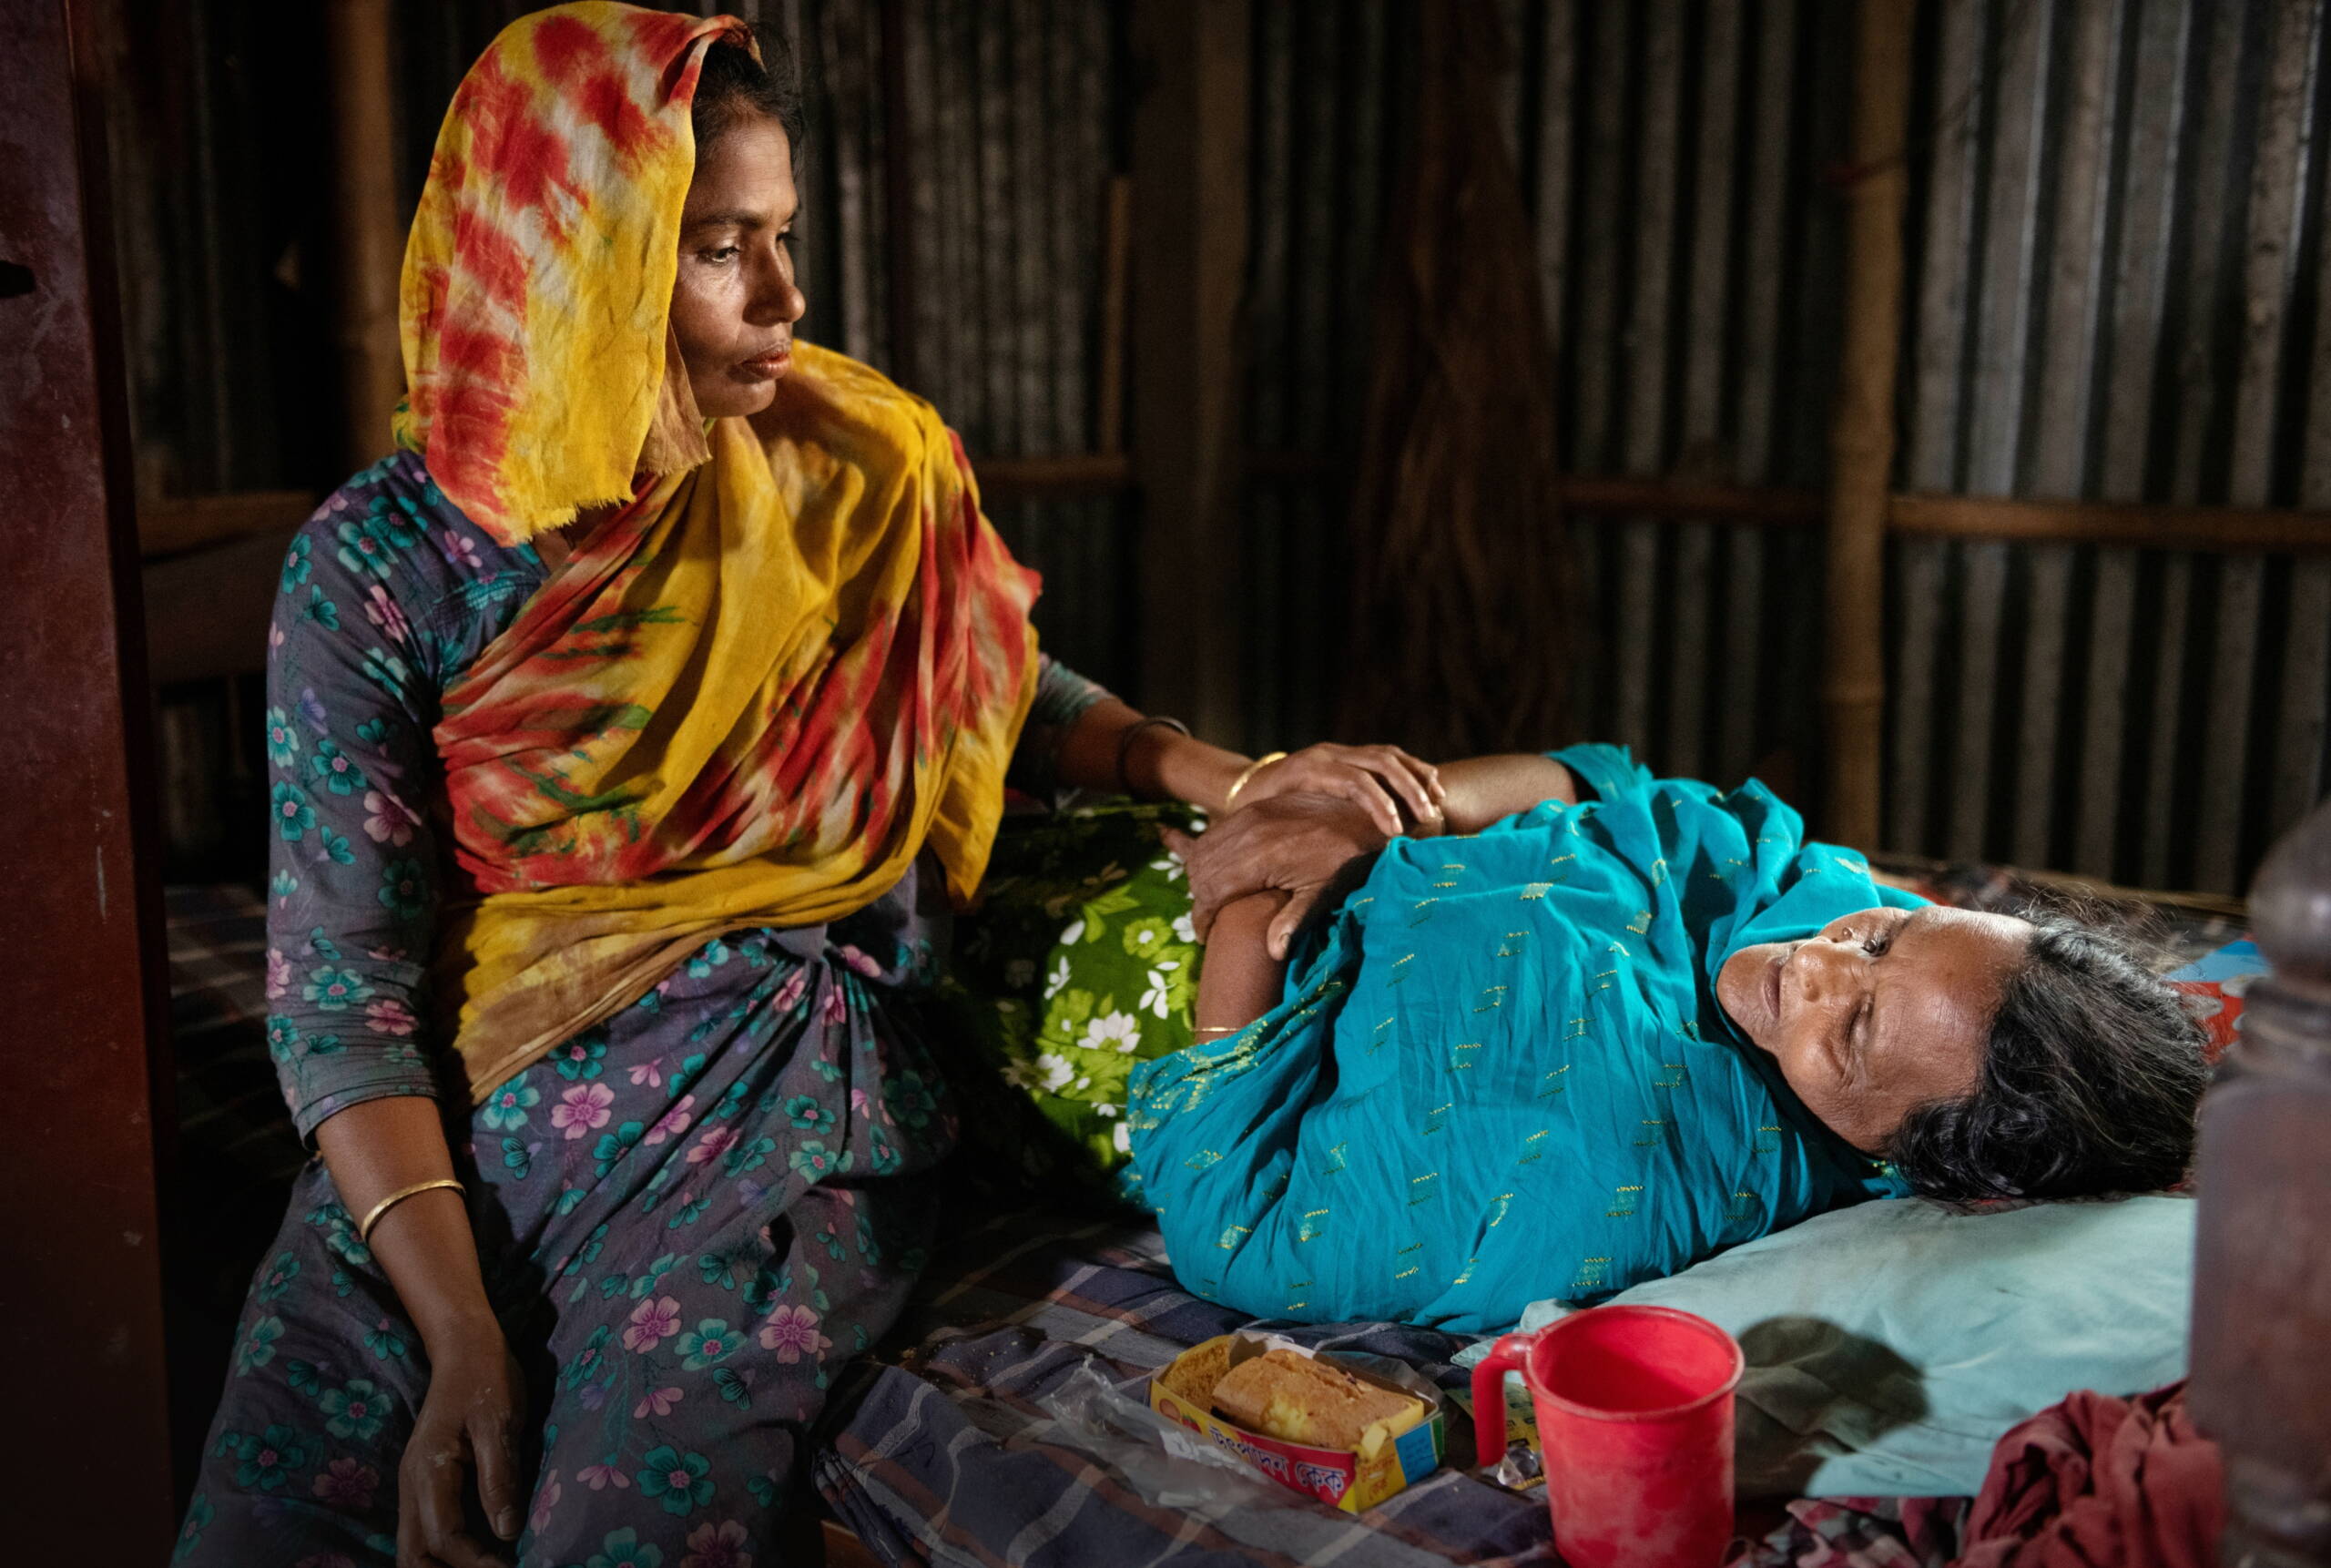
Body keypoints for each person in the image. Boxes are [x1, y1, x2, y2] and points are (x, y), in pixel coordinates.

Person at [175, 10, 1440, 1566]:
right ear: (566, 261)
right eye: (718, 248)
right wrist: (459, 1334)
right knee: (270, 1517)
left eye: (783, 236)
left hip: (778, 1102)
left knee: (621, 1528)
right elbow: (341, 1007)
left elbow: (984, 674)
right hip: (484, 1096)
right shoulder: (381, 568)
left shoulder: (847, 461)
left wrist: (1219, 768)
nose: (785, 300)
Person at [1128, 745, 2211, 1331]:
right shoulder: (1806, 890)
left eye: (1859, 1023)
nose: (1819, 962)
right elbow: (1604, 785)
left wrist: (1251, 904)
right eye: (1890, 935)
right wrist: (1392, 807)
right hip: (1256, 826)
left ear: (1901, 1155)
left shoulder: (1636, 1174)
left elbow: (1239, 1234)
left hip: (1159, 970)